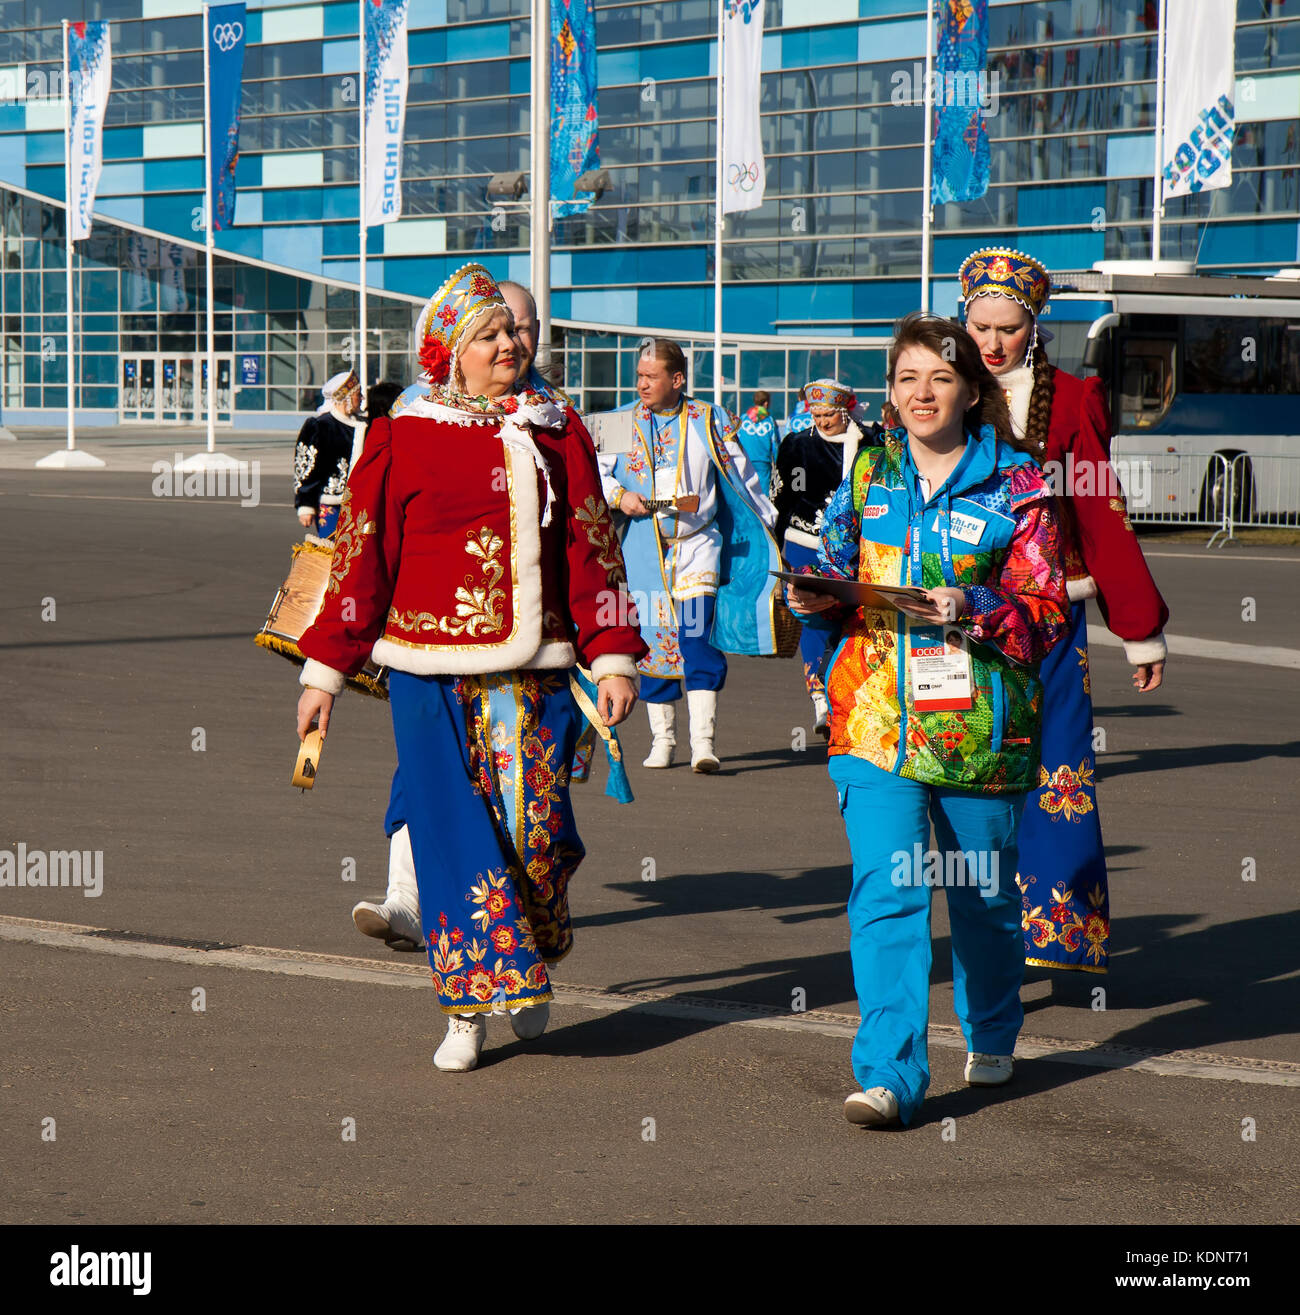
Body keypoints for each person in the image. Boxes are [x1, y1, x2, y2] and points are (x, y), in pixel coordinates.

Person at [294, 262, 646, 1074]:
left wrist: (616, 654)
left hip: (540, 672)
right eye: (488, 335)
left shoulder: (559, 430)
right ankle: (465, 1006)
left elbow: (593, 550)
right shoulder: (402, 433)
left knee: (536, 835)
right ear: (450, 351)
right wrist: (323, 675)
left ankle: (530, 954)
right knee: (453, 837)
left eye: (513, 332)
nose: (508, 346)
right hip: (428, 674)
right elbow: (360, 561)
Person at [788, 312, 1069, 1128]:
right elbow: (835, 563)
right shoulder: (870, 472)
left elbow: (1046, 610)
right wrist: (813, 592)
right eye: (907, 378)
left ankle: (992, 1025)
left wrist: (974, 603)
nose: (921, 393)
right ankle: (890, 1075)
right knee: (887, 893)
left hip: (980, 733)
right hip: (873, 723)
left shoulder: (1020, 484)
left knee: (982, 898)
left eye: (939, 378)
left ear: (971, 389)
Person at [958, 247, 1170, 975]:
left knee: (1058, 771)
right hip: (958, 620)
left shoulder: (1076, 399)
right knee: (971, 775)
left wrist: (1139, 630)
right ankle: (982, 932)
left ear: (1034, 324)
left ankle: (1057, 932)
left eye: (1007, 328)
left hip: (1049, 619)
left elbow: (1101, 515)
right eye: (979, 325)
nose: (990, 343)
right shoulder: (938, 388)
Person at [598, 338, 780, 772]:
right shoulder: (621, 421)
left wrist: (765, 527)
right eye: (639, 376)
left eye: (651, 377)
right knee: (653, 643)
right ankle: (664, 740)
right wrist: (620, 496)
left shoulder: (708, 418)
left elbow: (743, 479)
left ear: (677, 379)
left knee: (696, 638)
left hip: (697, 547)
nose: (641, 384)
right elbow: (597, 474)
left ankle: (703, 743)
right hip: (643, 550)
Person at [772, 378, 880, 736]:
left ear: (844, 409)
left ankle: (847, 695)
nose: (820, 421)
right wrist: (777, 548)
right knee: (813, 616)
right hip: (804, 542)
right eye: (815, 414)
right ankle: (819, 695)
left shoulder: (871, 443)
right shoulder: (797, 445)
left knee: (852, 619)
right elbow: (781, 499)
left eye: (828, 414)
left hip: (858, 546)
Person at [293, 370, 364, 537]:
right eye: (358, 394)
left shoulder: (363, 426)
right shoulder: (320, 426)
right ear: (346, 396)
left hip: (359, 504)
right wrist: (306, 505)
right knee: (331, 553)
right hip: (330, 503)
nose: (361, 399)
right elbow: (307, 466)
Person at [736, 390, 781, 497]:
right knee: (763, 493)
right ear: (766, 403)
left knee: (747, 491)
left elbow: (736, 439)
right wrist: (777, 460)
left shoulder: (743, 418)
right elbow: (775, 444)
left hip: (745, 459)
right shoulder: (769, 420)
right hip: (762, 461)